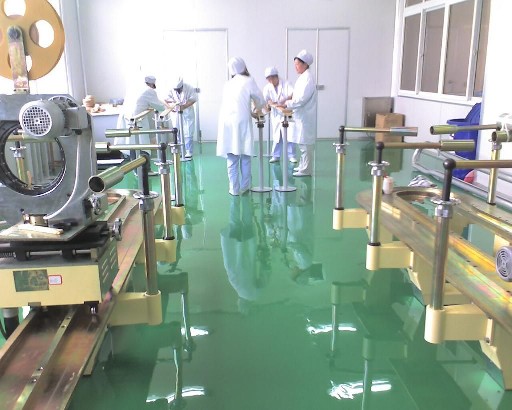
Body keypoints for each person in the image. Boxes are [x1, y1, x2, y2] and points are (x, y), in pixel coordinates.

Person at [217, 57, 265, 196]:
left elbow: (236, 104)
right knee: (245, 155)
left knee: (232, 157)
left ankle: (234, 189)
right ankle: (245, 187)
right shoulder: (249, 80)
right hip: (242, 121)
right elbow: (260, 99)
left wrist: (250, 110)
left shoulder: (228, 84)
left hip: (226, 121)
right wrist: (257, 109)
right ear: (244, 67)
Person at [282, 50, 318, 177]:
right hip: (301, 115)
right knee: (302, 143)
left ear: (305, 64)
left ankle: (306, 169)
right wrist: (289, 99)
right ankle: (303, 166)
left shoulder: (308, 78)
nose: (295, 67)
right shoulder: (303, 77)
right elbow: (297, 95)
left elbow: (302, 99)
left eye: (297, 64)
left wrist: (288, 103)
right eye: (295, 64)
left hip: (305, 116)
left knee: (305, 144)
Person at [115, 75, 168, 147]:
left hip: (127, 116)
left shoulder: (136, 87)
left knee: (129, 143)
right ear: (152, 84)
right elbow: (161, 107)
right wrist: (166, 104)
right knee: (140, 144)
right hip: (137, 119)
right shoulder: (149, 91)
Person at [262, 66, 297, 164]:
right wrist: (269, 103)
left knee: (289, 134)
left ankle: (292, 155)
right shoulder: (267, 87)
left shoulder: (286, 84)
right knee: (277, 135)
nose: (271, 81)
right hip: (276, 114)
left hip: (287, 112)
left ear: (276, 76)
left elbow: (292, 94)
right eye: (269, 79)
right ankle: (276, 155)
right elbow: (265, 100)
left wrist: (284, 100)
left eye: (272, 78)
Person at [165, 77, 197, 158]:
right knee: (176, 130)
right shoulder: (170, 89)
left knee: (188, 130)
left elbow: (194, 99)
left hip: (187, 111)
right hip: (175, 112)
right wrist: (171, 107)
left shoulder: (189, 88)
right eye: (176, 89)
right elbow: (166, 99)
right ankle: (179, 150)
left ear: (182, 86)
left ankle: (188, 151)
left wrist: (184, 106)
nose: (177, 91)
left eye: (179, 89)